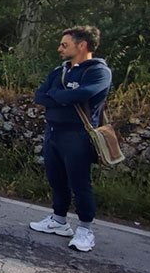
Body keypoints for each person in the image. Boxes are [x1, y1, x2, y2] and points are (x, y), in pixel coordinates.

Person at [30, 26, 112, 252]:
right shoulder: (60, 71)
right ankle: (59, 220)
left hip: (78, 135)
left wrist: (57, 95)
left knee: (79, 182)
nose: (60, 49)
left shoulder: (98, 72)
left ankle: (85, 229)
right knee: (56, 179)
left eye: (64, 45)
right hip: (53, 132)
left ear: (82, 45)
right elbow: (40, 96)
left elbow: (82, 94)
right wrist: (63, 97)